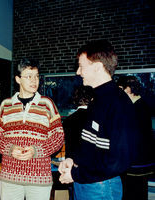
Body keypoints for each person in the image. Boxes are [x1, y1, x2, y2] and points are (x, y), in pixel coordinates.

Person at [58, 40, 141, 200]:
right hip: (86, 183)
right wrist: (73, 161)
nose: (78, 72)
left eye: (81, 66)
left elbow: (118, 161)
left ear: (97, 67)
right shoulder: (97, 100)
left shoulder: (118, 102)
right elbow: (92, 146)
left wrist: (76, 174)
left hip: (101, 187)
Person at [0, 58, 64, 200]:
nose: (34, 81)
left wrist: (36, 151)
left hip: (39, 178)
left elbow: (58, 137)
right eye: (29, 76)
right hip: (10, 177)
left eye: (36, 76)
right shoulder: (6, 105)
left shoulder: (47, 104)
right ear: (18, 79)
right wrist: (10, 149)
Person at [117, 75, 155, 200]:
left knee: (133, 193)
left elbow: (130, 136)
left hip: (136, 162)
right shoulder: (139, 105)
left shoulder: (137, 108)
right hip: (139, 161)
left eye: (120, 89)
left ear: (128, 89)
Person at [63, 85, 94, 159]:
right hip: (93, 164)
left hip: (72, 163)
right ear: (92, 99)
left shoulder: (67, 121)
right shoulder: (98, 118)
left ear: (74, 101)